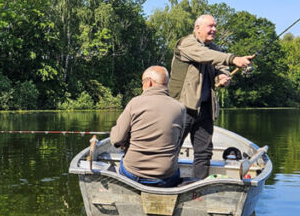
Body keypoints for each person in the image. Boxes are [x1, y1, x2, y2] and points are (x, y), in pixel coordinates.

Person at [170, 14, 255, 180]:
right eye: (210, 26)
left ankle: (198, 187)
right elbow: (205, 56)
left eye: (215, 26)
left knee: (204, 152)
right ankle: (168, 183)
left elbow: (221, 67)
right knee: (171, 148)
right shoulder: (186, 43)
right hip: (182, 107)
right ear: (197, 28)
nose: (214, 29)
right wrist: (234, 59)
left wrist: (222, 78)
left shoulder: (215, 49)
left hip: (205, 109)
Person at [108, 66, 186, 188]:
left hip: (133, 173)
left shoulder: (135, 103)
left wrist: (123, 140)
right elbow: (178, 141)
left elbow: (117, 139)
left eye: (142, 82)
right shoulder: (180, 108)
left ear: (149, 82)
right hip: (166, 176)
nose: (142, 86)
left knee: (124, 164)